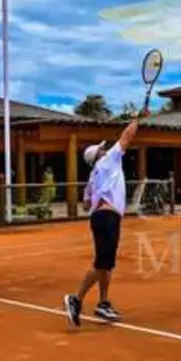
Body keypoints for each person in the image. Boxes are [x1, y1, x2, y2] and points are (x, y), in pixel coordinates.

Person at [63, 109, 144, 326]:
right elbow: (127, 137)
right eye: (101, 149)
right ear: (98, 155)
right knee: (101, 264)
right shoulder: (108, 161)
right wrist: (137, 118)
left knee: (107, 264)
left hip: (103, 217)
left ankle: (103, 303)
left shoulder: (93, 176)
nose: (105, 149)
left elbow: (86, 203)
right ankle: (76, 299)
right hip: (107, 217)